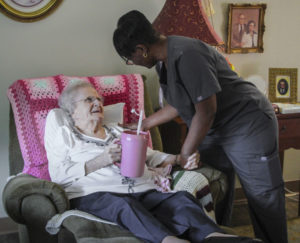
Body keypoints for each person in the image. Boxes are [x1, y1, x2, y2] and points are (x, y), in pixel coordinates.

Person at [113, 10, 288, 243]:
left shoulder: (188, 53)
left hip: (247, 123)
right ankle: (224, 238)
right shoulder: (162, 61)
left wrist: (185, 153)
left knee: (262, 196)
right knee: (217, 187)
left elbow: (206, 112)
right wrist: (142, 124)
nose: (132, 63)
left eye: (129, 58)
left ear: (141, 49)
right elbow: (178, 104)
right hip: (217, 128)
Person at [44, 81, 262, 243]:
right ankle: (169, 241)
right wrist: (100, 160)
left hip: (142, 189)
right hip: (96, 195)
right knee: (123, 205)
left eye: (99, 99)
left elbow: (150, 155)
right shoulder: (65, 135)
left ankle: (215, 237)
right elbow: (58, 175)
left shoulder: (118, 131)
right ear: (72, 112)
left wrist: (179, 159)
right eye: (89, 99)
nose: (97, 103)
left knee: (181, 200)